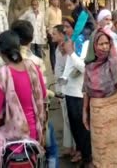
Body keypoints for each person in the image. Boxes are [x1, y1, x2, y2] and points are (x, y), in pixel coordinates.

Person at [0, 30, 46, 168]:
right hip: (35, 132)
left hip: (16, 135)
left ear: (0, 51)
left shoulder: (2, 73)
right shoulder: (32, 67)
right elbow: (44, 94)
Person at [82, 28, 117, 167]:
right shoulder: (89, 66)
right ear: (94, 46)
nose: (105, 47)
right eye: (101, 44)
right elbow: (86, 90)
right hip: (97, 115)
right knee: (100, 150)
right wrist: (84, 112)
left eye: (107, 43)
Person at [62, 0, 94, 165]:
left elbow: (83, 67)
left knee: (82, 128)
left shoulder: (83, 39)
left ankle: (88, 157)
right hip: (69, 91)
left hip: (80, 93)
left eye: (68, 27)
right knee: (75, 127)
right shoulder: (70, 41)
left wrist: (72, 51)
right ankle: (82, 154)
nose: (65, 30)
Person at [51, 24, 75, 157]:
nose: (52, 36)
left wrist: (62, 88)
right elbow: (58, 70)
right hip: (62, 88)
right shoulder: (58, 48)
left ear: (61, 34)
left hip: (68, 88)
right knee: (66, 119)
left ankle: (75, 149)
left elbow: (67, 71)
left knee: (70, 119)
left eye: (55, 33)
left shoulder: (68, 48)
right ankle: (68, 147)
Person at [45, 0, 62, 71]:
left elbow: (60, 22)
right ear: (51, 1)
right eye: (54, 0)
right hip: (51, 33)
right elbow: (45, 22)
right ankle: (53, 68)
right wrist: (49, 32)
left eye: (57, 0)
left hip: (59, 33)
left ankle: (59, 66)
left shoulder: (59, 10)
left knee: (58, 50)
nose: (56, 1)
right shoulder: (48, 10)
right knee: (52, 50)